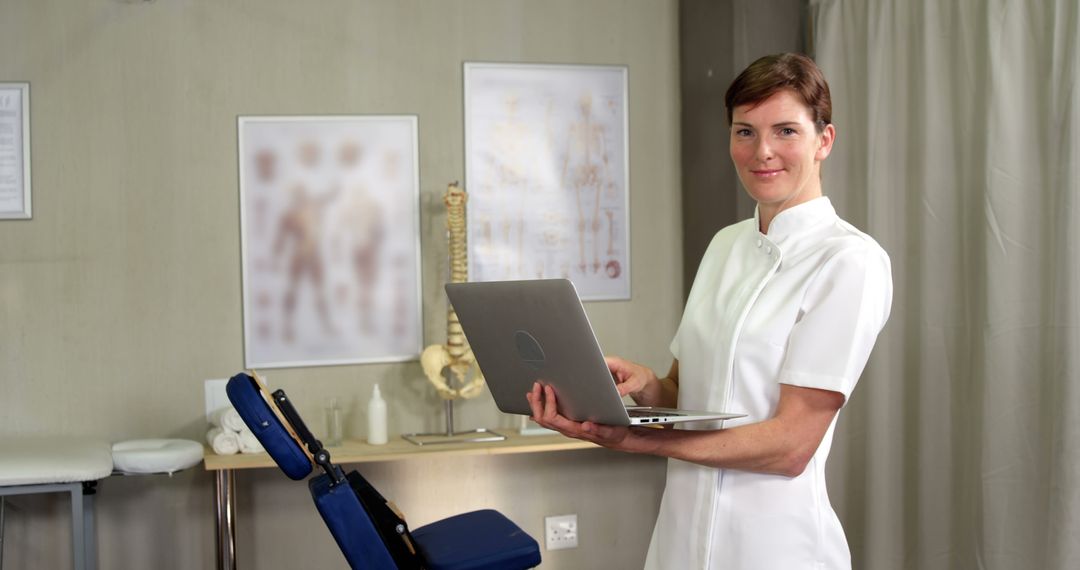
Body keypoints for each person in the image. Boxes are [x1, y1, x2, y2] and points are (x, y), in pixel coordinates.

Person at [526, 53, 893, 569]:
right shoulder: (727, 245)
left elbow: (791, 446)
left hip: (775, 550)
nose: (762, 151)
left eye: (785, 131)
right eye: (745, 132)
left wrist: (637, 440)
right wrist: (646, 386)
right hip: (680, 541)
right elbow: (689, 395)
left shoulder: (850, 262)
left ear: (824, 141)